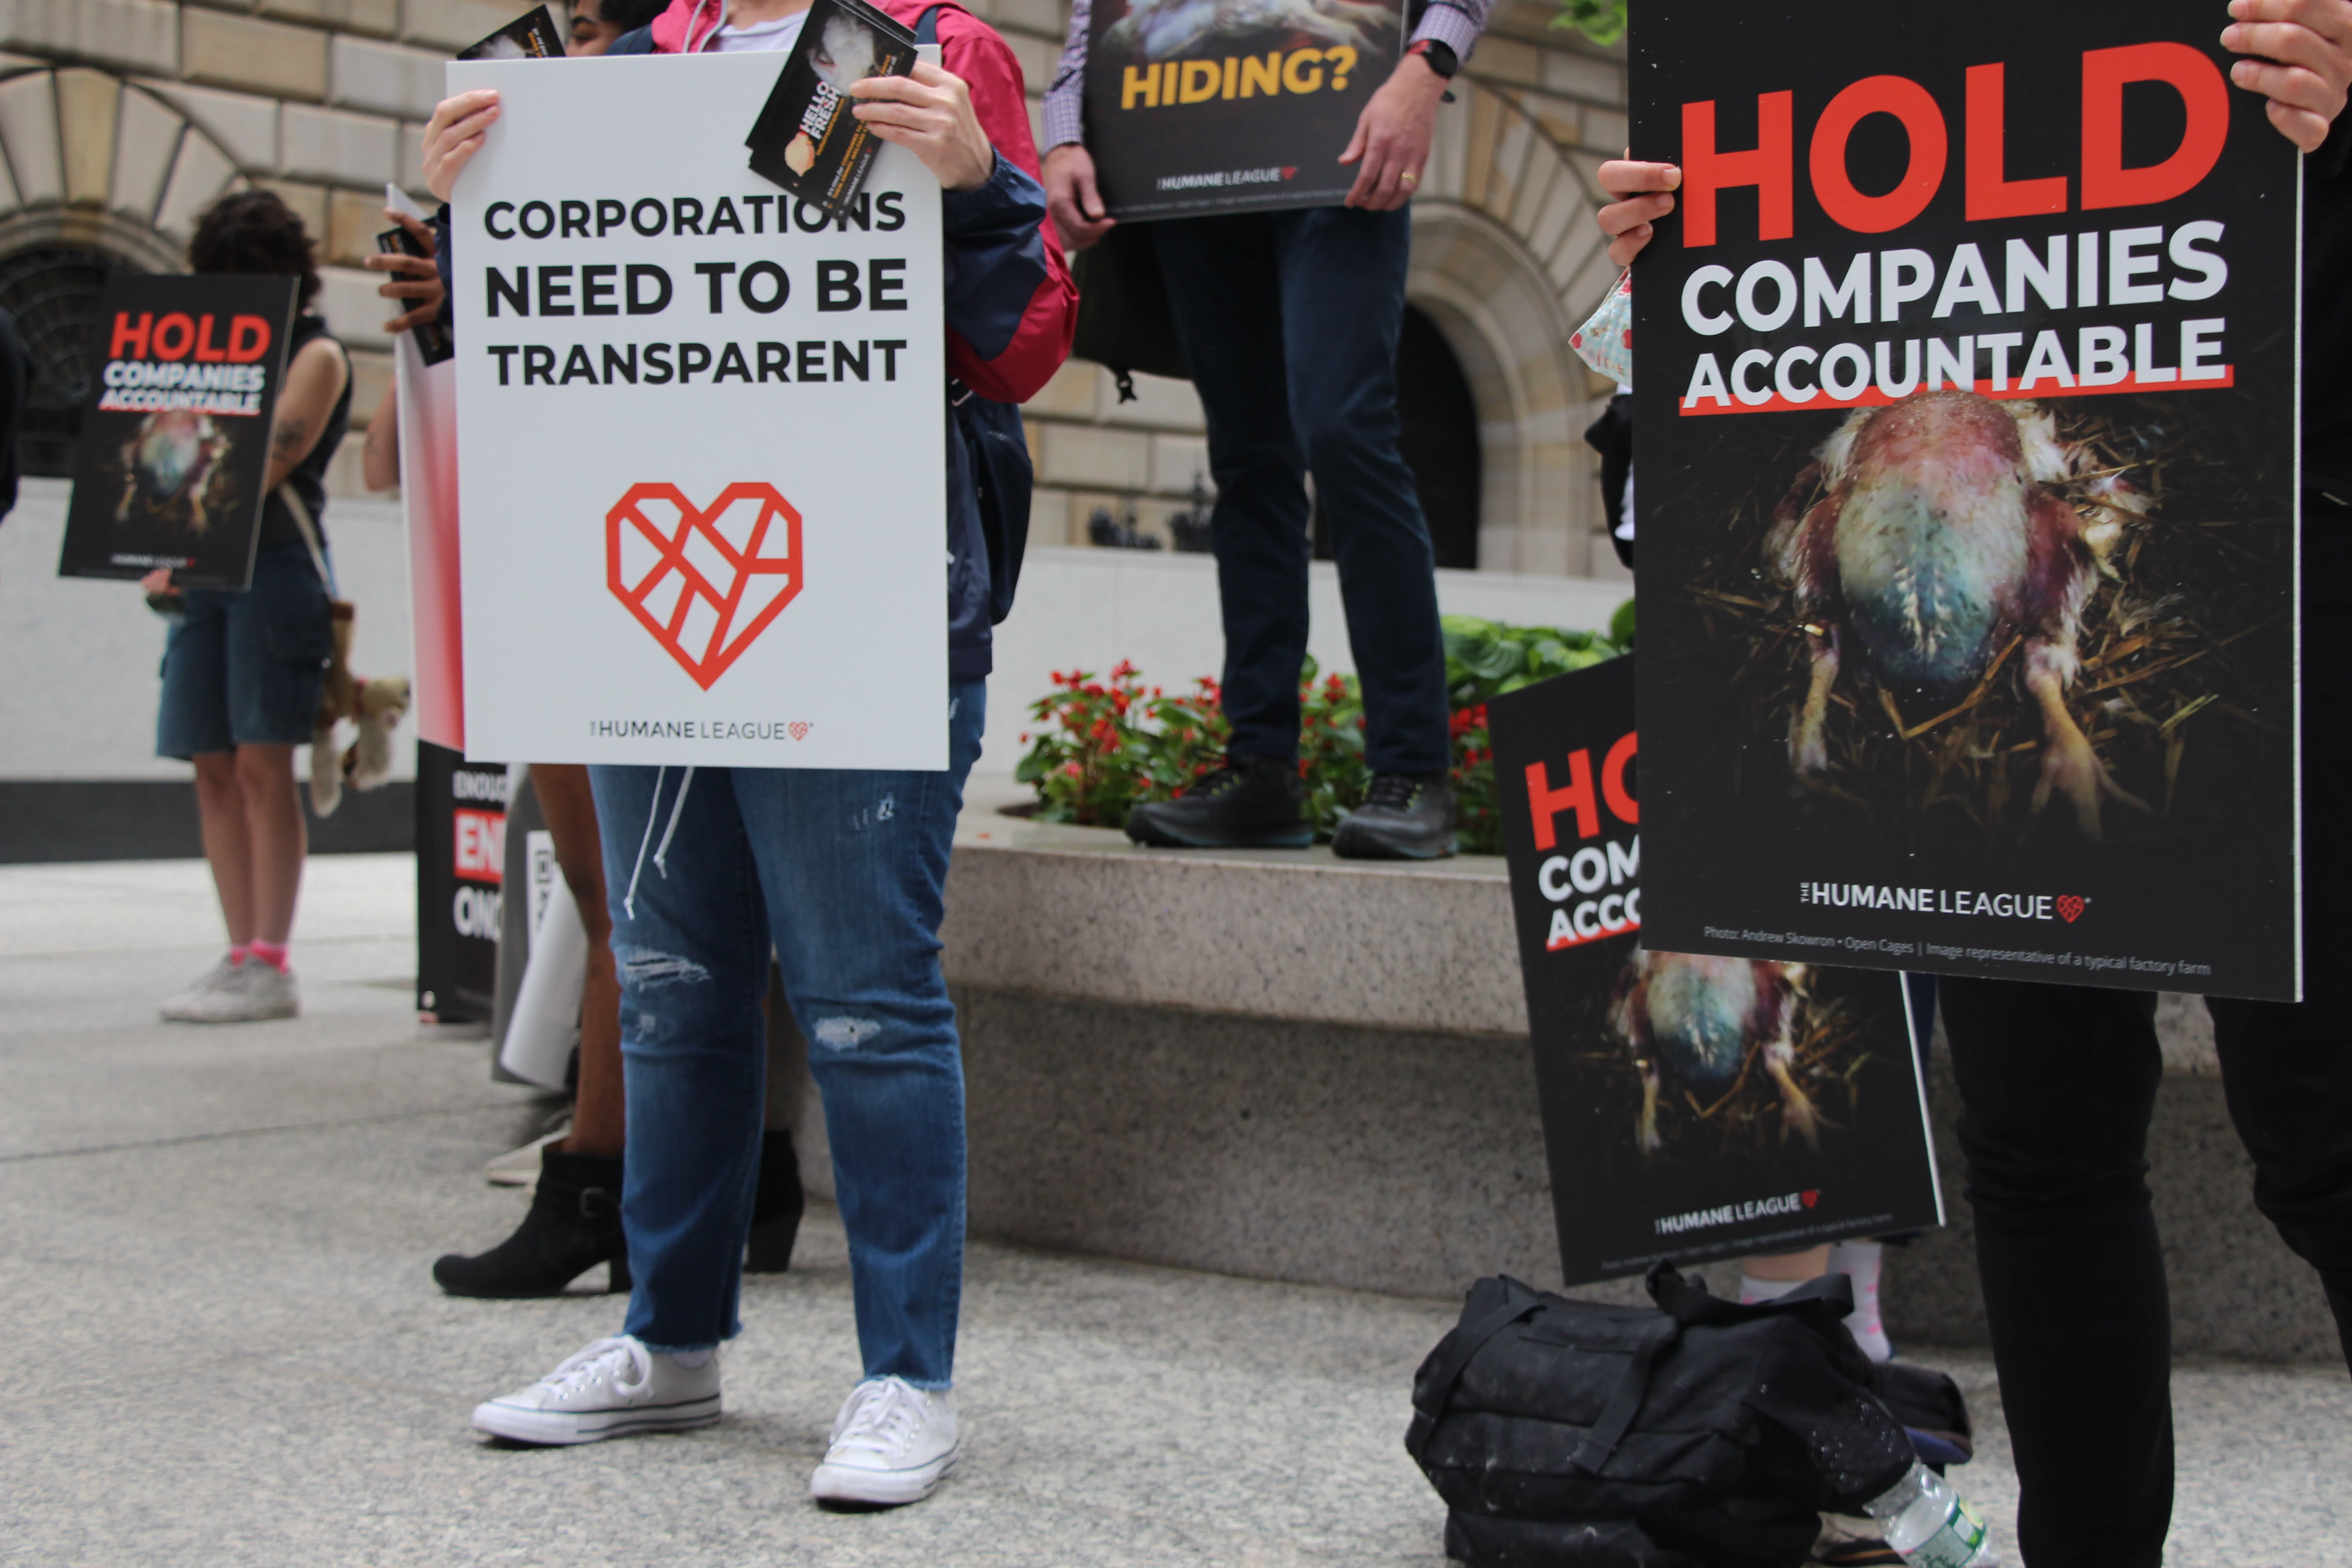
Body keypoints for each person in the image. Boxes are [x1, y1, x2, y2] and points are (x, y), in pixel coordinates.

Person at [1598, 5, 2352, 1561]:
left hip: (2283, 548)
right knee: (2038, 1139)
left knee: (2325, 1139)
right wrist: (1682, 248)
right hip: (1993, 627)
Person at [415, 0, 1075, 1505]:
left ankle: (907, 1370)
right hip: (649, 586)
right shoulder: (627, 68)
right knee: (671, 983)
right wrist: (471, 223)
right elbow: (549, 328)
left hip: (867, 582)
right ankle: (670, 1340)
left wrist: (980, 182)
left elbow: (1026, 346)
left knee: (866, 999)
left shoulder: (933, 45)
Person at [1038, 0, 1486, 860]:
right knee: (1247, 457)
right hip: (1189, 159)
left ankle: (1415, 771)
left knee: (1345, 430)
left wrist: (1424, 69)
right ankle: (1262, 772)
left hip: (1337, 132)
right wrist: (1066, 131)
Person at [148, 191, 352, 1025]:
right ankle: (239, 953)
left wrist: (167, 536)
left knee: (266, 767)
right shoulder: (202, 351)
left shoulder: (317, 352)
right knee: (211, 762)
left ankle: (272, 959)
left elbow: (267, 461)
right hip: (206, 571)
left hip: (273, 568)